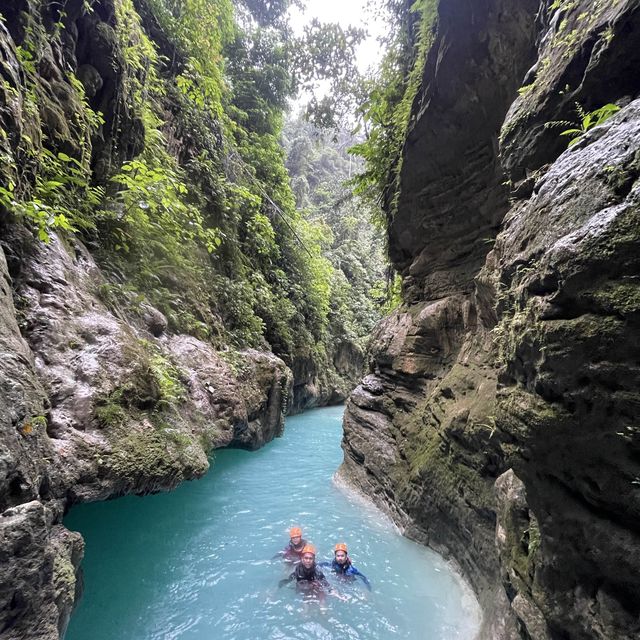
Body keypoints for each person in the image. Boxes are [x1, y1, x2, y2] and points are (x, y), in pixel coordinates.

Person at [278, 544, 345, 599]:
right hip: (304, 589)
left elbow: (327, 585)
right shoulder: (298, 571)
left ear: (314, 559)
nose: (308, 561)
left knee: (321, 595)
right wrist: (274, 591)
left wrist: (338, 595)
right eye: (306, 558)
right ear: (302, 559)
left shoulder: (317, 572)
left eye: (310, 558)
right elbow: (287, 581)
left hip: (315, 588)